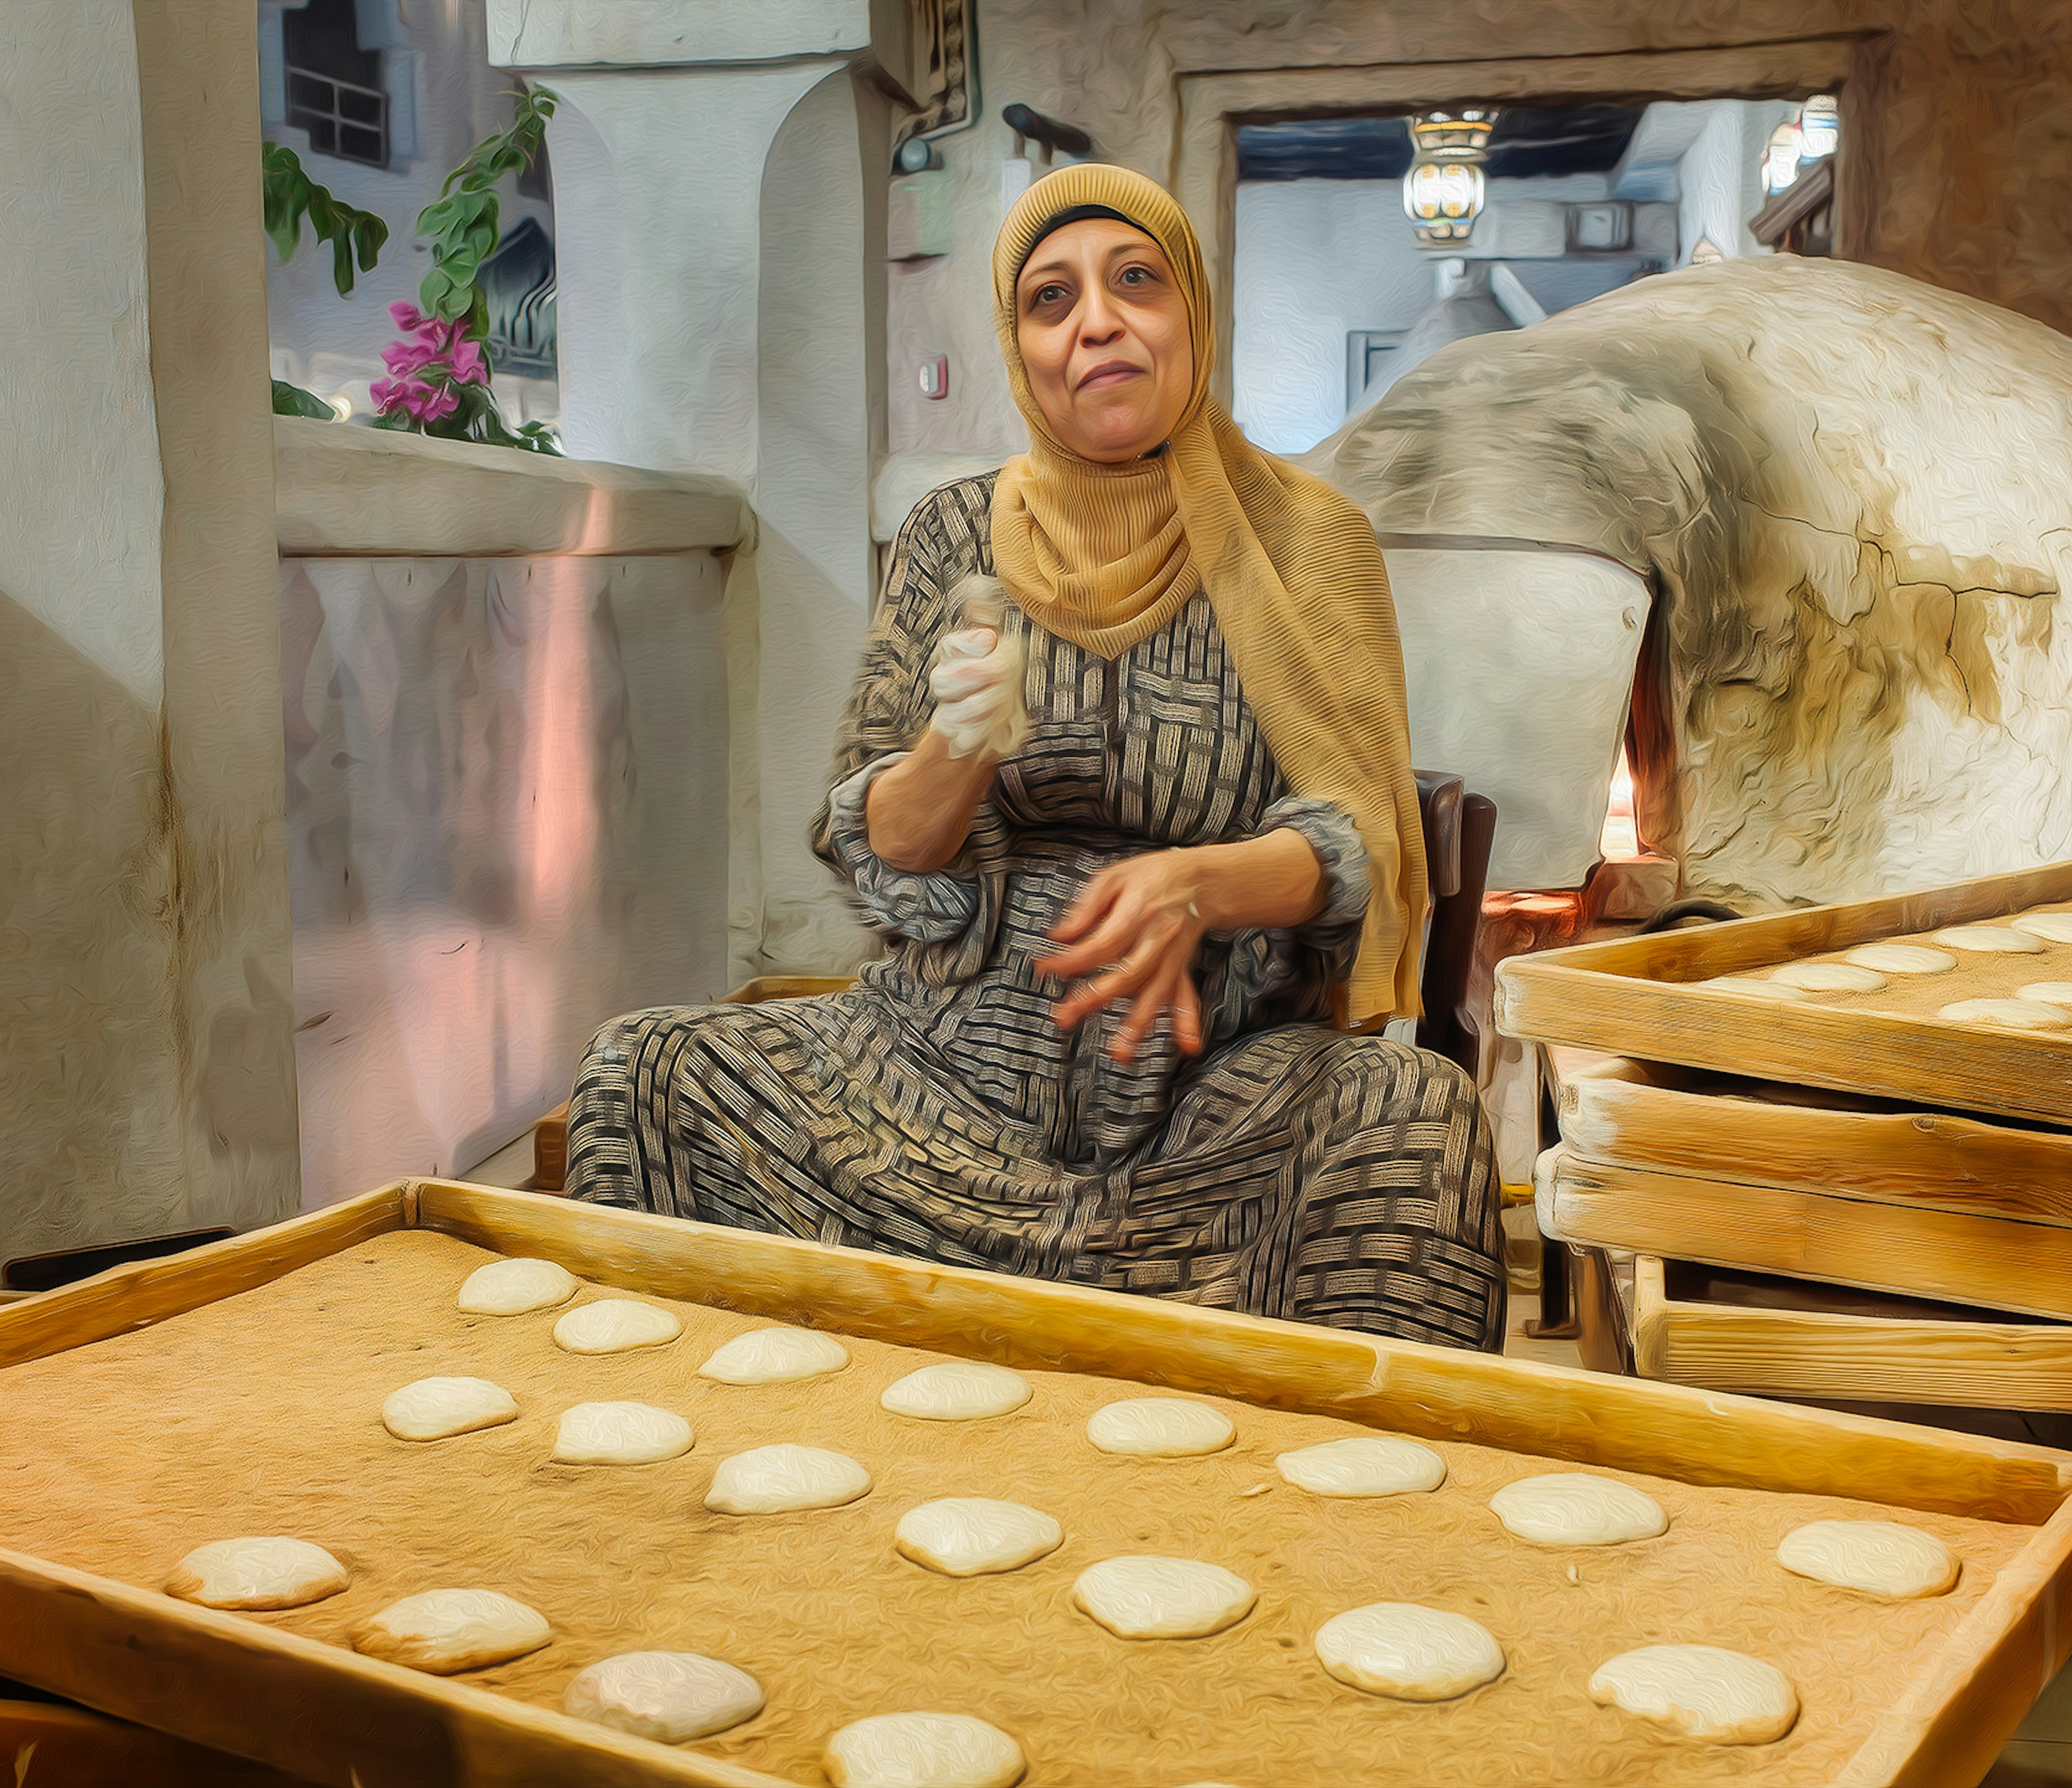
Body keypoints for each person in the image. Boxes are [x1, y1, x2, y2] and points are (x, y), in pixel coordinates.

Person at [566, 164, 1505, 1350]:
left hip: (1211, 1110)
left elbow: (1359, 837)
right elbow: (881, 858)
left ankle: (1339, 1509)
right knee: (641, 1074)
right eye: (1049, 300)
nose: (1096, 322)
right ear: (1020, 349)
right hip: (928, 1086)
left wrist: (1198, 883)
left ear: (1192, 316)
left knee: (1417, 1120)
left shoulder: (1307, 540)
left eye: (1135, 282)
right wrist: (957, 748)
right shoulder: (951, 533)